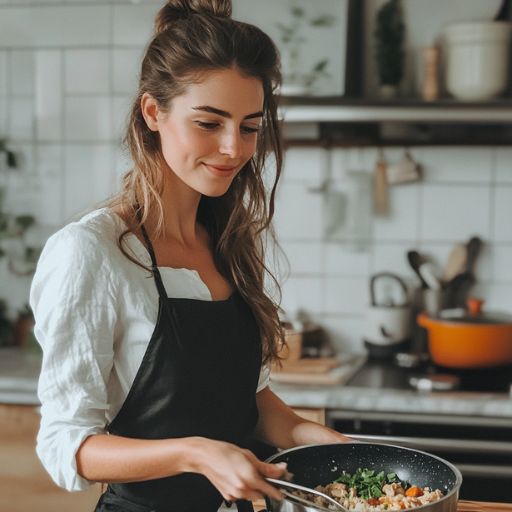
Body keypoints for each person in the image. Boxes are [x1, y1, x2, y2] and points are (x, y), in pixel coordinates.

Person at [30, 1, 353, 511]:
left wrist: (317, 439)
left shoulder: (227, 240)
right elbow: (67, 445)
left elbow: (250, 399)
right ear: (153, 112)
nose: (234, 149)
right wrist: (196, 454)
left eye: (250, 126)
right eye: (209, 123)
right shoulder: (92, 252)